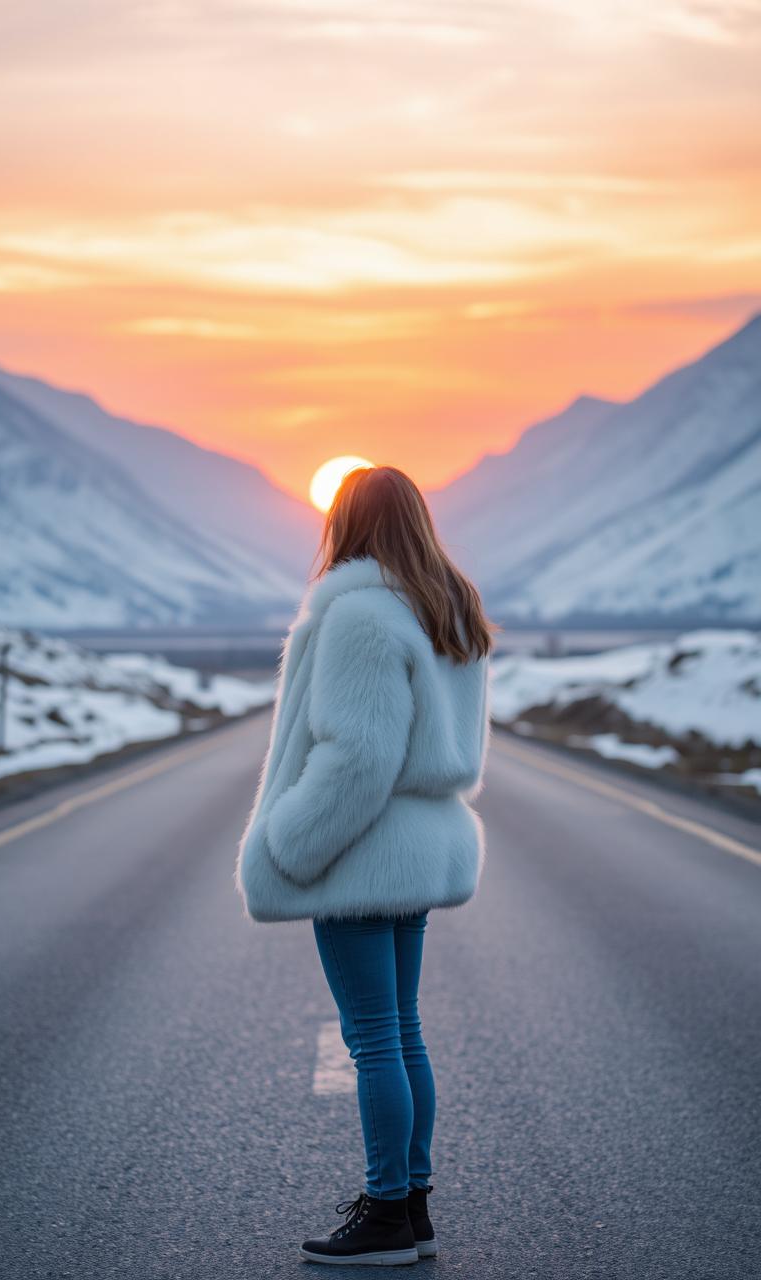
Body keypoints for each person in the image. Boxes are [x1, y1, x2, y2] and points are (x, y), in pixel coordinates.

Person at [235, 464, 495, 1266]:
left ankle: (386, 1214)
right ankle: (410, 1206)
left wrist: (291, 842)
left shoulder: (360, 619)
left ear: (343, 527)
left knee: (375, 1038)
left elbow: (359, 757)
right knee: (402, 1031)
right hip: (414, 849)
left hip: (358, 853)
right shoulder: (447, 612)